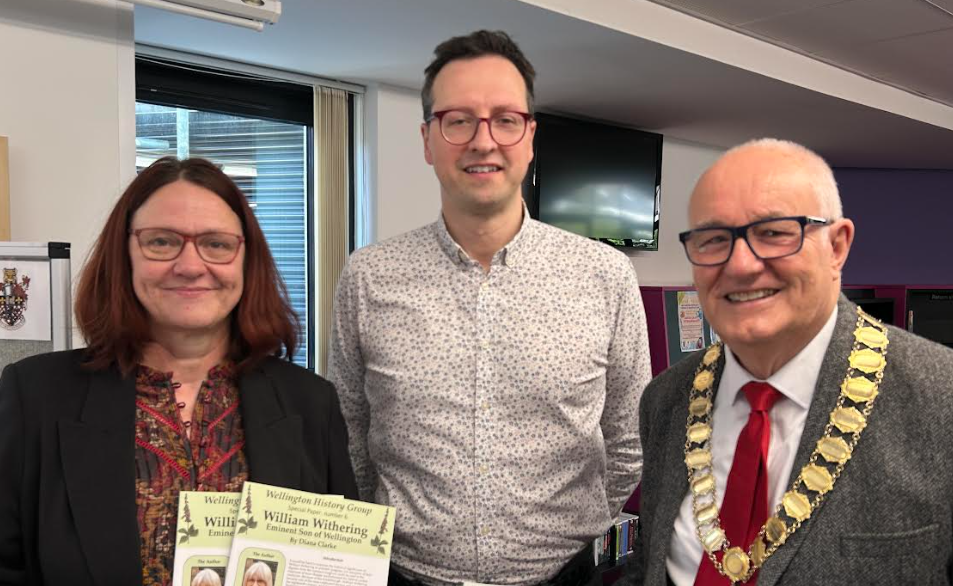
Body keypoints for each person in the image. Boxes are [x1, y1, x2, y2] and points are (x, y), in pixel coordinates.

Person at [328, 30, 652, 586]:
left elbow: (630, 438)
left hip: (566, 577)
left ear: (530, 137)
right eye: (458, 120)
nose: (483, 141)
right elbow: (349, 434)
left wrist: (567, 536)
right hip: (405, 576)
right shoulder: (368, 277)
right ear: (427, 140)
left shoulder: (605, 275)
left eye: (505, 120)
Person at [0, 157, 358, 585]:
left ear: (246, 259)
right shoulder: (35, 397)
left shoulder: (310, 403)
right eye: (161, 242)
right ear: (124, 255)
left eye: (216, 243)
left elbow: (343, 567)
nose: (190, 266)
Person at [634, 139, 953, 585]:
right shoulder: (666, 399)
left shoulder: (941, 400)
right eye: (713, 239)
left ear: (837, 246)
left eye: (774, 233)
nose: (741, 266)